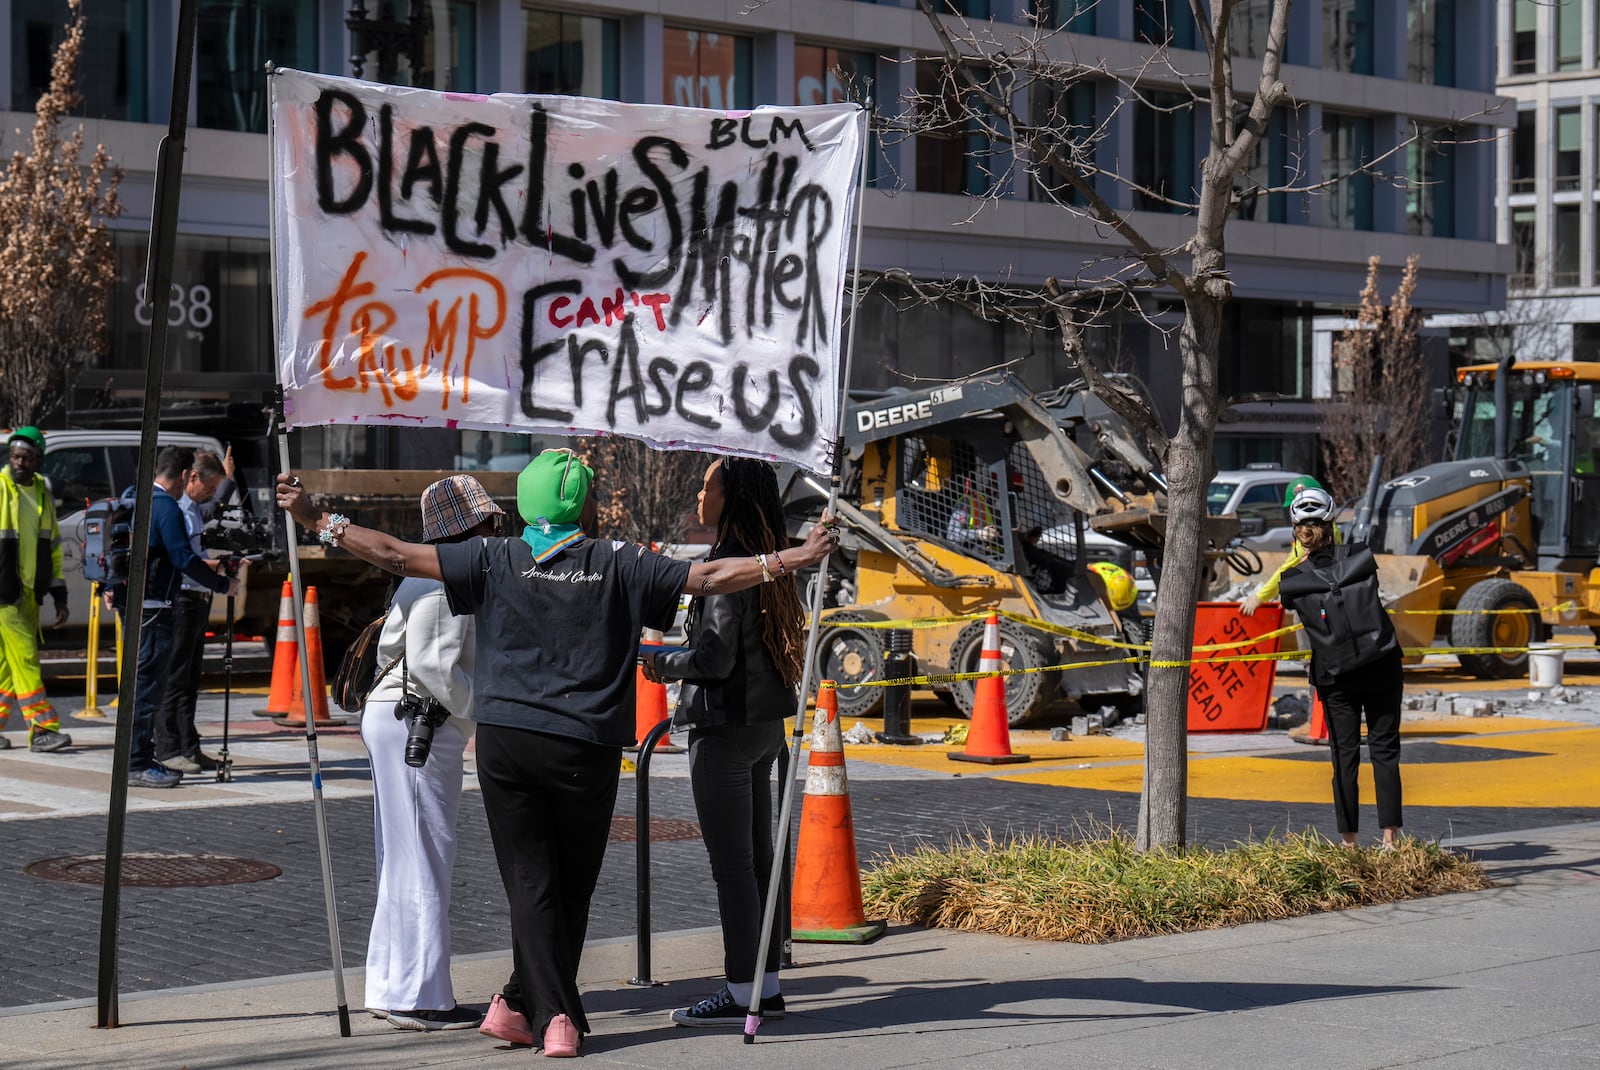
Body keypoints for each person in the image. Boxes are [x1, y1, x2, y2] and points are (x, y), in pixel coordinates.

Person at [276, 449, 839, 1058]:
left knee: (530, 882)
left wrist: (314, 518)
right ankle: (555, 1016)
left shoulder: (494, 557)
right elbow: (708, 578)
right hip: (585, 744)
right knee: (572, 884)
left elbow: (394, 553)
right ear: (585, 507)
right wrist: (794, 558)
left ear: (525, 504)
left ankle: (524, 1006)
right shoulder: (620, 560)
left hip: (506, 745)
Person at [640, 458, 804, 1028]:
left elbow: (713, 657)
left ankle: (741, 989)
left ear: (731, 495)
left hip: (723, 727)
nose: (699, 493)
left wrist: (659, 664)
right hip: (764, 729)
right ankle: (767, 983)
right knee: (760, 863)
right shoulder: (774, 559)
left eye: (708, 484)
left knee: (734, 867)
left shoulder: (727, 568)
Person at [366, 475, 503, 1032]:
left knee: (402, 855)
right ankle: (420, 995)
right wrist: (483, 713)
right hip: (423, 721)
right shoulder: (450, 578)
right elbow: (434, 666)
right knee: (425, 854)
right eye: (492, 520)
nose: (500, 527)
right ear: (475, 526)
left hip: (400, 717)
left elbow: (392, 648)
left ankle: (393, 984)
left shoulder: (427, 571)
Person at [1275, 486, 1403, 849]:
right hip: (1382, 663)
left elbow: (1285, 590)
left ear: (1296, 531)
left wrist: (1300, 554)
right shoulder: (1362, 556)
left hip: (1336, 675)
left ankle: (1349, 843)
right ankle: (1390, 840)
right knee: (1385, 749)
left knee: (1344, 755)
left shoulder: (1294, 583)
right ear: (1333, 524)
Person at [116, 446, 239, 789]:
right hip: (156, 607)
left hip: (136, 605)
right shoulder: (166, 506)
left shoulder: (135, 498)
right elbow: (182, 557)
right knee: (149, 687)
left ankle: (139, 756)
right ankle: (137, 761)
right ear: (186, 475)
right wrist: (221, 583)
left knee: (144, 683)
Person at [154, 449, 227, 774]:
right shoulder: (176, 508)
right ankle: (169, 746)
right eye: (209, 487)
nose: (210, 495)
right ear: (191, 476)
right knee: (174, 677)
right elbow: (182, 559)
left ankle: (188, 744)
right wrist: (216, 573)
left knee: (189, 678)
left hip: (198, 598)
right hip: (182, 598)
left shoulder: (193, 508)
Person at [0, 427, 72, 753]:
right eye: (15, 456)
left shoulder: (42, 491)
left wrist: (59, 594)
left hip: (28, 593)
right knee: (27, 659)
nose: (20, 463)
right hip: (4, 594)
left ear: (38, 460)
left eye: (27, 458)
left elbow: (53, 548)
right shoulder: (1, 487)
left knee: (5, 665)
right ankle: (42, 728)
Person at [1240, 475, 1334, 617]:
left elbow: (1287, 568)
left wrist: (1259, 597)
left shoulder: (1308, 538)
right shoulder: (1333, 530)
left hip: (1315, 608)